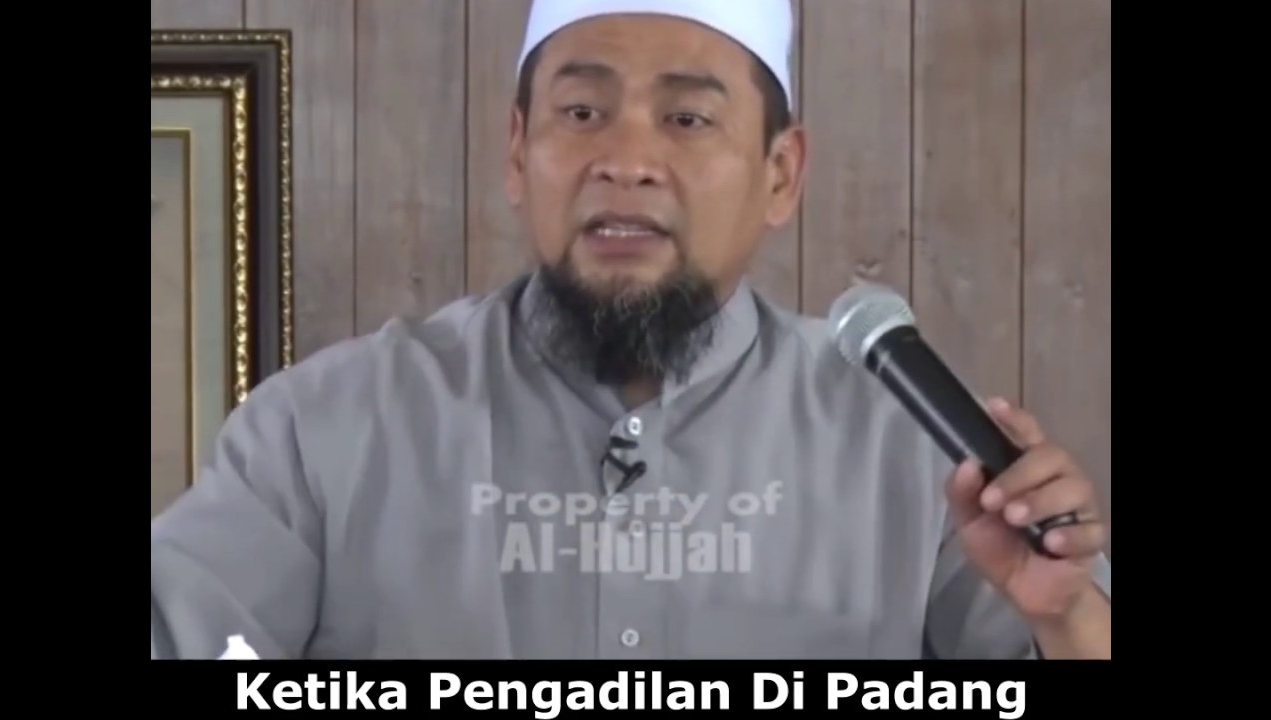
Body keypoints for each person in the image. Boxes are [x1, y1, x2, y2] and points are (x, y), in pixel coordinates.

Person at [150, 0, 1110, 660]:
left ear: (781, 174)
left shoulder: (915, 449)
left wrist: (1067, 618)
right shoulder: (325, 428)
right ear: (518, 151)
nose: (627, 160)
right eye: (582, 111)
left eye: (687, 119)